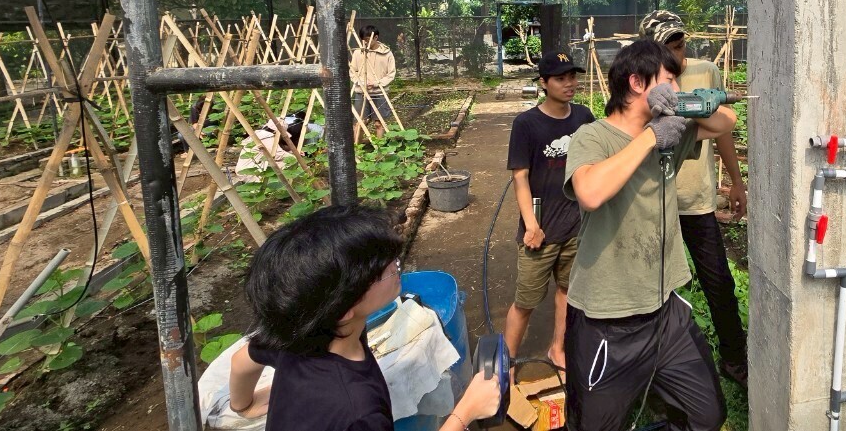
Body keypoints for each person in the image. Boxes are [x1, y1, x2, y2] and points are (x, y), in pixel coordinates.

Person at [563, 39, 736, 431]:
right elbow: (590, 193)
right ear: (638, 83)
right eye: (670, 81)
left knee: (707, 416)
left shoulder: (670, 131)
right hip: (606, 321)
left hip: (665, 314)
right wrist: (650, 137)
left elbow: (727, 121)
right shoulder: (594, 137)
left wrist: (694, 104)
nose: (676, 89)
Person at [227, 204, 501, 431]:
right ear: (343, 308)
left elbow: (241, 362)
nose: (396, 265)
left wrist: (243, 405)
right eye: (383, 269)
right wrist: (466, 410)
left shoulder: (298, 330)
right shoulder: (358, 410)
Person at [639, 10, 750, 386]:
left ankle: (735, 360)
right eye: (668, 47)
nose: (678, 53)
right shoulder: (642, 81)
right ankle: (652, 368)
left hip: (697, 200)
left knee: (718, 281)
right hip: (655, 201)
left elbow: (722, 131)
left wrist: (736, 182)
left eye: (680, 43)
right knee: (654, 287)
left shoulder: (705, 73)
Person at [504, 50, 594, 373]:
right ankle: (507, 362)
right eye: (560, 78)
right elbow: (520, 177)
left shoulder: (583, 117)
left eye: (572, 76)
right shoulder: (527, 124)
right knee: (526, 301)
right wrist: (530, 224)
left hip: (574, 227)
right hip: (539, 232)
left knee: (567, 291)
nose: (569, 83)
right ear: (543, 83)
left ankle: (558, 348)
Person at [350, 25, 397, 141]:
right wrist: (361, 82)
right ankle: (357, 151)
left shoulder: (386, 53)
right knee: (359, 123)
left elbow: (391, 74)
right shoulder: (358, 53)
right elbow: (352, 71)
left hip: (379, 92)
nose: (365, 43)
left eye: (367, 40)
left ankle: (379, 152)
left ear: (376, 37)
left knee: (379, 123)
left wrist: (376, 83)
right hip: (361, 92)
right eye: (363, 40)